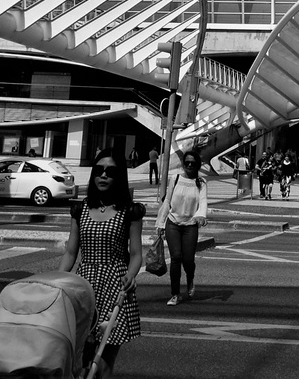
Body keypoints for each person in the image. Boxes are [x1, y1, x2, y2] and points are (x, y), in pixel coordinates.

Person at [59, 153, 143, 378]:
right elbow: (70, 252)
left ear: (120, 177)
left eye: (111, 172)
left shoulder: (130, 211)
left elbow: (136, 254)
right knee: (78, 355)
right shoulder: (80, 210)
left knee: (104, 359)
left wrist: (131, 275)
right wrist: (56, 281)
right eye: (99, 170)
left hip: (116, 285)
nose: (103, 175)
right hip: (83, 285)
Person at [154, 150, 208, 305]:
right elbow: (167, 201)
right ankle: (175, 293)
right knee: (176, 258)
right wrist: (160, 223)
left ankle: (190, 279)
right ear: (183, 164)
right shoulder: (175, 178)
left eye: (192, 163)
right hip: (173, 223)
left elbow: (203, 201)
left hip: (190, 225)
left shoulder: (201, 182)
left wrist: (201, 215)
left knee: (188, 260)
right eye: (187, 163)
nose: (189, 165)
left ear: (197, 164)